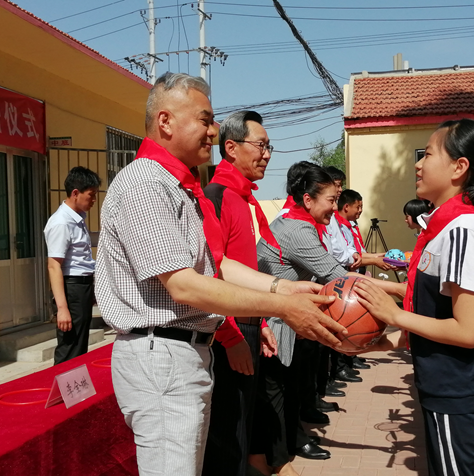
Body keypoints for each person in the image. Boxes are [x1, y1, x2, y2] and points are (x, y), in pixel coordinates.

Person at [94, 72, 343, 476]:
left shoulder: (178, 187)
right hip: (162, 352)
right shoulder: (145, 184)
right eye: (205, 120)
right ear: (165, 122)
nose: (213, 130)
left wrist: (285, 287)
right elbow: (183, 284)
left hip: (185, 351)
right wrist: (283, 305)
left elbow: (216, 265)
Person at [354, 118, 474, 476]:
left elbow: (466, 331)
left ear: (459, 167)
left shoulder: (462, 229)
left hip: (460, 395)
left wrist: (395, 314)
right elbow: (433, 320)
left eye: (427, 154)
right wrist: (363, 342)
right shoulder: (444, 227)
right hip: (448, 392)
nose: (418, 164)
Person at [252, 165, 346, 476]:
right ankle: (278, 461)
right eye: (331, 200)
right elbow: (339, 276)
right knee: (277, 393)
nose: (336, 207)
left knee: (290, 389)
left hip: (288, 319)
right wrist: (402, 290)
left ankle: (288, 446)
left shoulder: (301, 222)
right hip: (272, 324)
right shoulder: (297, 229)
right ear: (307, 199)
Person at [201, 110, 280, 476]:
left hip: (246, 324)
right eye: (260, 145)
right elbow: (213, 272)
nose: (266, 154)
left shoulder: (244, 199)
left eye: (269, 147)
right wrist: (230, 333)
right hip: (225, 329)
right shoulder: (215, 196)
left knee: (243, 422)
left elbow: (246, 269)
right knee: (227, 432)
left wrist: (259, 322)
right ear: (230, 148)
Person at [44, 166, 101, 365]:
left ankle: (75, 392)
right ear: (75, 193)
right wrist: (62, 308)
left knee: (79, 345)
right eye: (91, 195)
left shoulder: (77, 220)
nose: (94, 200)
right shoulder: (61, 222)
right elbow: (54, 265)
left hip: (82, 287)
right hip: (71, 288)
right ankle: (61, 392)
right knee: (70, 346)